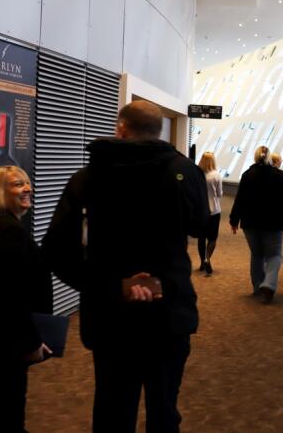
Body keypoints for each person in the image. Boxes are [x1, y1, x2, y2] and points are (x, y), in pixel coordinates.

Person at [43, 100, 209, 433]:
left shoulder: (87, 178)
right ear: (159, 131)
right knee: (164, 410)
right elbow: (201, 226)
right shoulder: (185, 172)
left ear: (121, 129)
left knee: (112, 408)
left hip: (110, 316)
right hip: (170, 312)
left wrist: (112, 286)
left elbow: (56, 250)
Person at [0, 166, 53, 432]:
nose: (27, 189)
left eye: (27, 183)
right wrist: (31, 341)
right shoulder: (6, 232)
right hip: (3, 342)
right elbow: (8, 299)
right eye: (17, 185)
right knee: (3, 414)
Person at [229, 146, 283, 303]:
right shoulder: (279, 175)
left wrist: (234, 219)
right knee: (274, 254)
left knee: (257, 254)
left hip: (250, 223)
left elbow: (240, 199)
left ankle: (258, 286)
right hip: (273, 223)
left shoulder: (247, 175)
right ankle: (269, 284)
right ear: (269, 158)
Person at [197, 152, 224, 275]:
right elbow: (219, 194)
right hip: (214, 211)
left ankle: (202, 262)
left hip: (200, 210)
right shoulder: (216, 175)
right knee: (212, 238)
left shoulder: (197, 174)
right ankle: (208, 258)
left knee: (201, 237)